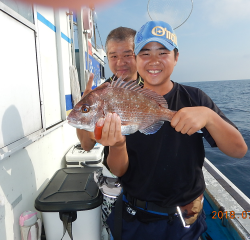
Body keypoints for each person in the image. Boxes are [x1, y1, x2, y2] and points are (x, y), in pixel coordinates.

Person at [93, 21, 248, 240]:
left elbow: (239, 150)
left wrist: (209, 116)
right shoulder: (121, 101)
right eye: (145, 53)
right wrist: (117, 144)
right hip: (137, 219)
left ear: (176, 57)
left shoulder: (195, 99)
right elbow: (118, 170)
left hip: (186, 221)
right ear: (136, 60)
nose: (154, 61)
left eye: (163, 52)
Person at [77, 27, 143, 167]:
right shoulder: (100, 94)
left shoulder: (151, 89)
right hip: (116, 172)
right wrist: (84, 107)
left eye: (127, 55)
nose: (120, 62)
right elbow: (86, 145)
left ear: (138, 55)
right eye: (113, 56)